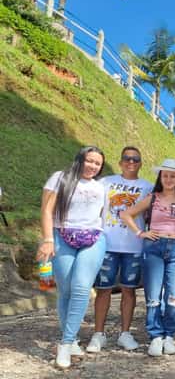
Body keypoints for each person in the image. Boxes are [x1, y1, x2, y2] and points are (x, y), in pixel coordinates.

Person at [37, 146, 107, 368]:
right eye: (89, 160)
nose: (93, 166)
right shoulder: (60, 178)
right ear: (80, 159)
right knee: (66, 290)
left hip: (93, 238)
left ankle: (66, 344)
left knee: (81, 288)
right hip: (62, 235)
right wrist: (48, 239)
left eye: (97, 163)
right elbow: (46, 211)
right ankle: (73, 338)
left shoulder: (101, 186)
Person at [120, 159, 175, 357]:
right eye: (165, 175)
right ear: (160, 177)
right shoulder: (152, 198)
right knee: (153, 295)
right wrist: (141, 233)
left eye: (172, 176)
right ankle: (155, 336)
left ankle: (169, 335)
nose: (169, 179)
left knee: (174, 295)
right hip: (153, 247)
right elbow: (126, 214)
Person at [88, 147, 152, 353]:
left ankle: (125, 333)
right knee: (103, 289)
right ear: (120, 162)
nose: (131, 162)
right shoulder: (105, 182)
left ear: (140, 163)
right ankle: (98, 334)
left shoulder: (147, 186)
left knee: (129, 290)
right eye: (127, 158)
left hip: (134, 246)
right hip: (106, 244)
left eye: (135, 159)